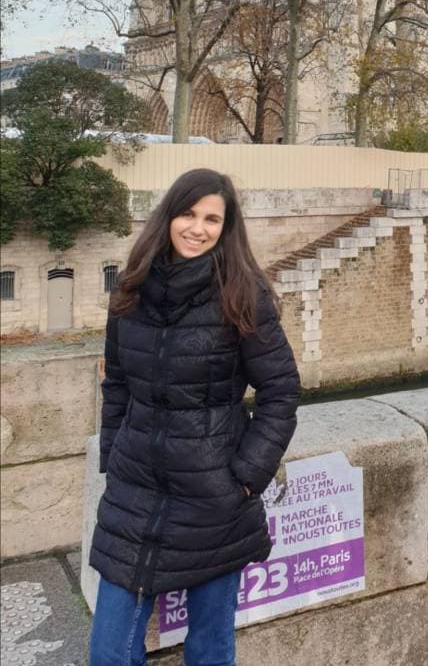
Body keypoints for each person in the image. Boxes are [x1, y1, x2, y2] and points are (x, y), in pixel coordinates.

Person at [88, 168, 300, 666]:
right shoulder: (130, 290)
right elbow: (116, 381)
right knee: (109, 653)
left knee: (208, 650)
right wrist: (112, 456)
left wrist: (246, 479)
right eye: (187, 213)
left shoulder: (242, 293)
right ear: (168, 217)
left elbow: (280, 389)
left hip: (213, 501)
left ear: (226, 230)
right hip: (134, 492)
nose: (197, 228)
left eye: (211, 219)